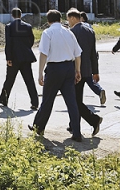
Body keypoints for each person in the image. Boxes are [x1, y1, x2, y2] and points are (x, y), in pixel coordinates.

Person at [29, 9, 84, 142]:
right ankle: (76, 132)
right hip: (69, 68)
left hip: (54, 69)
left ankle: (39, 127)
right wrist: (77, 71)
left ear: (48, 21)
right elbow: (78, 54)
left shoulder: (48, 32)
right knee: (71, 102)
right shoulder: (69, 32)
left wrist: (40, 72)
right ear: (60, 19)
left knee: (47, 99)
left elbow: (43, 53)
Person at [67, 8, 103, 137]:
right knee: (77, 98)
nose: (68, 22)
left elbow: (72, 54)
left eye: (68, 19)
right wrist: (95, 71)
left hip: (76, 71)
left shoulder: (71, 32)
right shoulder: (89, 30)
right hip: (87, 70)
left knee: (75, 101)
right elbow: (93, 53)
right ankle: (72, 124)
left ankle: (94, 119)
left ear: (72, 18)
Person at [0, 7, 39, 110]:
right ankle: (35, 102)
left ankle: (4, 99)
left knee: (9, 79)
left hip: (14, 58)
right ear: (21, 15)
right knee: (29, 80)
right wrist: (26, 49)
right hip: (26, 57)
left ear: (12, 15)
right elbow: (31, 40)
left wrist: (8, 58)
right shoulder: (28, 26)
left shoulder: (9, 27)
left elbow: (8, 43)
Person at [80, 12, 106, 105]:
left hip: (82, 56)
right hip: (91, 55)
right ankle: (99, 90)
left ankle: (78, 101)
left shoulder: (80, 28)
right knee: (88, 77)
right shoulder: (89, 27)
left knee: (85, 78)